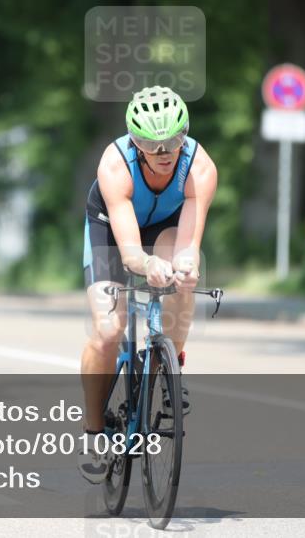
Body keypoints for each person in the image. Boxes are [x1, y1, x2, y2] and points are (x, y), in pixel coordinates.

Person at [77, 86, 217, 483]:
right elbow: (131, 255)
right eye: (150, 144)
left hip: (167, 225)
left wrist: (183, 264)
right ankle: (92, 431)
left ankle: (171, 365)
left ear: (185, 135)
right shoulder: (115, 165)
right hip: (113, 227)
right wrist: (145, 263)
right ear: (134, 142)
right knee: (108, 330)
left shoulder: (200, 168)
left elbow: (189, 244)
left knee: (185, 277)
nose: (163, 152)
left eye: (173, 141)